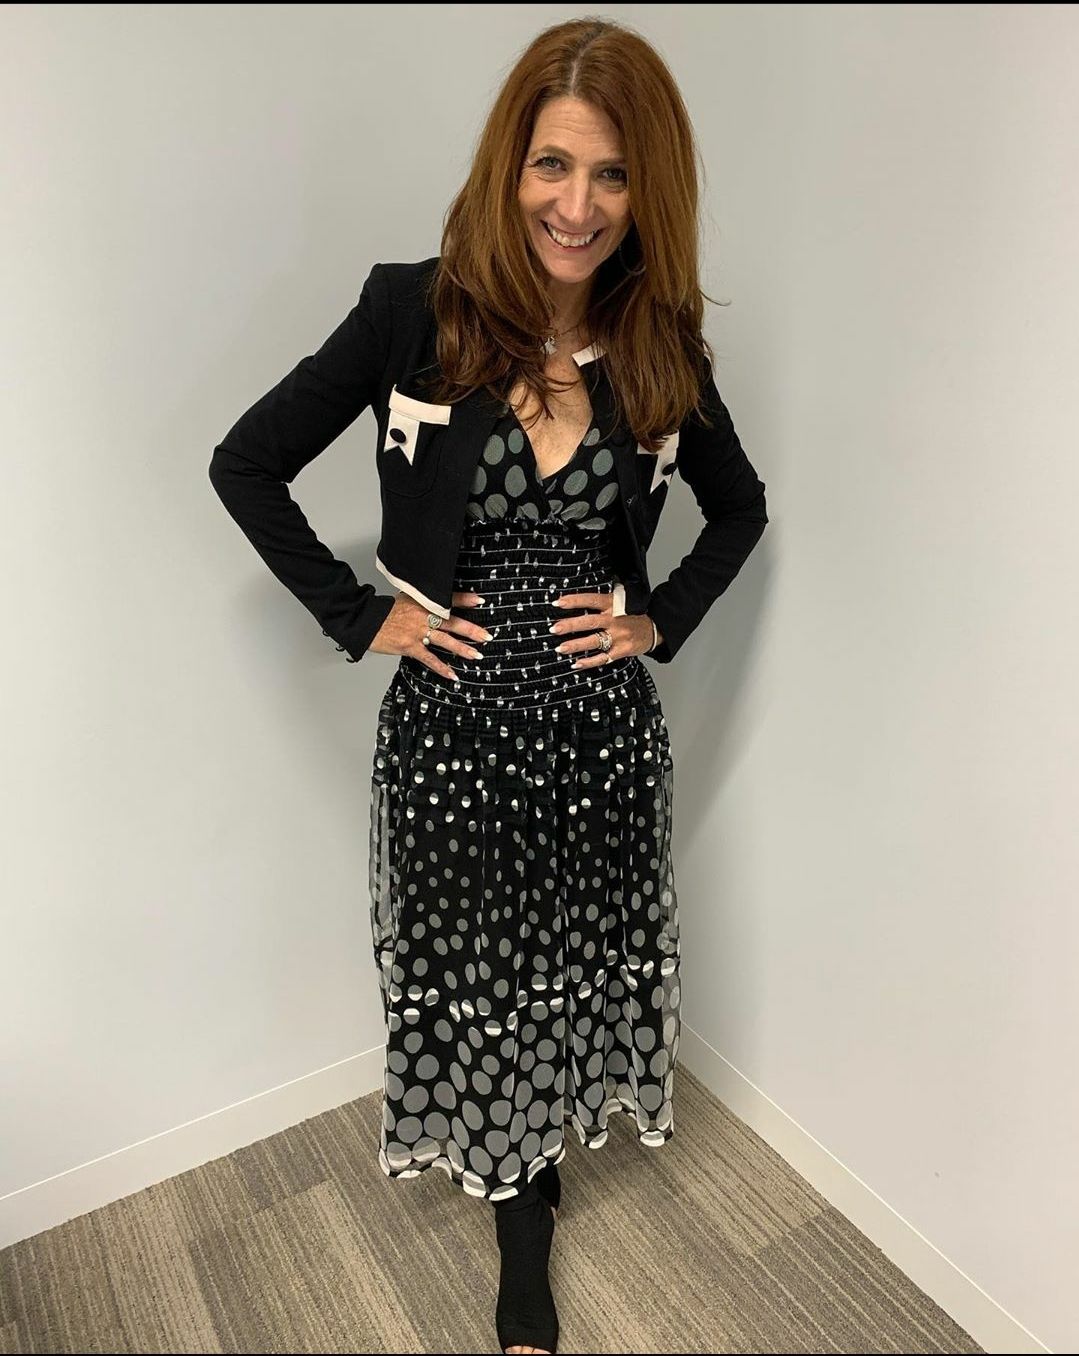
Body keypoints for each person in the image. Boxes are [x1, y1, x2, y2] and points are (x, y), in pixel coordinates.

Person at [208, 17, 768, 1355]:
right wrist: (363, 617)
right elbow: (246, 463)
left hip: (601, 732)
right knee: (483, 974)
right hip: (455, 732)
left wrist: (656, 621)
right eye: (552, 165)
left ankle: (540, 1160)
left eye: (613, 174)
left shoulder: (659, 341)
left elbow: (741, 509)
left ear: (648, 191)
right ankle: (520, 1219)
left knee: (571, 959)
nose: (578, 205)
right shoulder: (415, 311)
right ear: (508, 168)